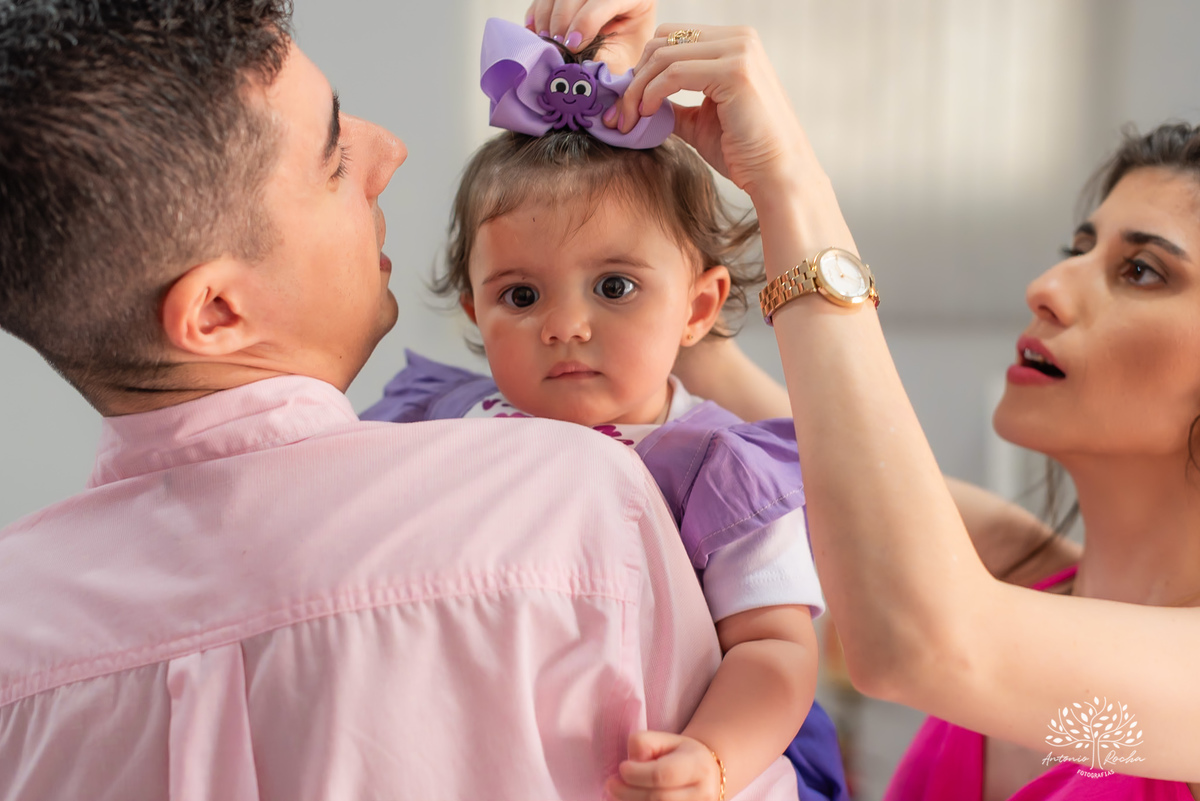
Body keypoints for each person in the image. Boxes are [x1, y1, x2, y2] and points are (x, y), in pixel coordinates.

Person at [0, 2, 804, 799]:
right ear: (215, 312)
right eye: (332, 155)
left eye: (614, 285)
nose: (389, 152)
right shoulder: (577, 497)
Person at [593, 12, 1200, 798]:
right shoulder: (1029, 573)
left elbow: (916, 639)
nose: (1048, 289)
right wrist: (632, 125)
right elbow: (755, 406)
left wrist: (792, 180)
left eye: (1143, 271)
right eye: (1078, 249)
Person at [362, 19, 847, 801]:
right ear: (474, 313)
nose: (565, 325)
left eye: (614, 286)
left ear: (697, 307)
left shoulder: (713, 468)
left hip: (658, 766)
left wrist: (713, 758)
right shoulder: (440, 427)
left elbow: (774, 649)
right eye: (520, 295)